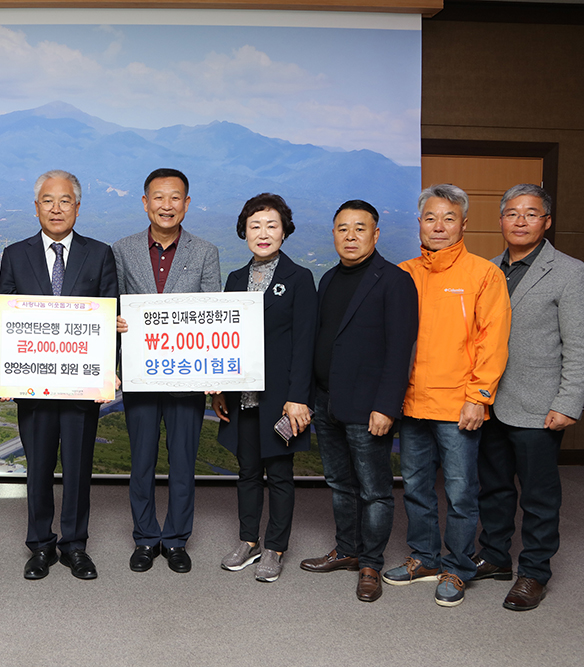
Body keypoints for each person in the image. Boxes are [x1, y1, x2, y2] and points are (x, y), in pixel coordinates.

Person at [384, 184, 511, 607]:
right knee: (417, 488)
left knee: (460, 492)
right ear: (419, 223)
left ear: (464, 223)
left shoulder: (483, 274)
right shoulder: (403, 273)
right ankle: (424, 556)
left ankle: (458, 567)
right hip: (412, 403)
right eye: (430, 218)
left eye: (448, 218)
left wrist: (479, 395)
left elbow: (494, 341)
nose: (438, 227)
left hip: (459, 405)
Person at [0, 170, 118, 580]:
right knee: (38, 470)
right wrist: (2, 375)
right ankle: (40, 546)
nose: (56, 208)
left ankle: (75, 545)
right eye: (48, 200)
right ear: (36, 207)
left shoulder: (100, 254)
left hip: (82, 387)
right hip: (33, 388)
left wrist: (107, 374)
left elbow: (108, 318)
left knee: (79, 469)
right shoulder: (15, 255)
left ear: (78, 208)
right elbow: (7, 323)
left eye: (65, 200)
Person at [298, 200, 418, 602]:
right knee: (339, 484)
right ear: (333, 234)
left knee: (375, 490)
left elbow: (401, 349)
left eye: (359, 228)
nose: (350, 236)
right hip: (327, 403)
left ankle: (371, 564)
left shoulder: (395, 281)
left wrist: (387, 406)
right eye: (342, 229)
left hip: (369, 408)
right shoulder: (328, 279)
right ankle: (347, 550)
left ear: (375, 234)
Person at [473, 184, 584, 611]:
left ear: (547, 221)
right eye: (512, 214)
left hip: (539, 404)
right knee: (494, 488)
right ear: (501, 221)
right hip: (488, 401)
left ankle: (534, 572)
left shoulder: (569, 272)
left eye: (531, 214)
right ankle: (495, 556)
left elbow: (577, 345)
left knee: (539, 496)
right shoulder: (487, 270)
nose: (520, 221)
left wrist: (567, 402)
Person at [113, 168, 221, 574]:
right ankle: (145, 538)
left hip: (187, 375)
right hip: (140, 373)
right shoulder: (121, 249)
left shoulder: (205, 252)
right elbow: (111, 303)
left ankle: (175, 539)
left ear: (187, 204)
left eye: (175, 198)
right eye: (158, 198)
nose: (166, 205)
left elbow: (212, 313)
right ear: (145, 203)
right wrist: (117, 319)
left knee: (183, 462)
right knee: (140, 461)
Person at [212, 193, 317, 583]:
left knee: (280, 474)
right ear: (244, 232)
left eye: (272, 225)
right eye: (255, 226)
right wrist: (220, 388)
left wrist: (298, 398)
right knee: (247, 471)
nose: (263, 233)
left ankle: (275, 547)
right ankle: (248, 541)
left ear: (285, 232)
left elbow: (305, 343)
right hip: (242, 397)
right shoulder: (236, 279)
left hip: (280, 397)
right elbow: (224, 338)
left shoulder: (299, 278)